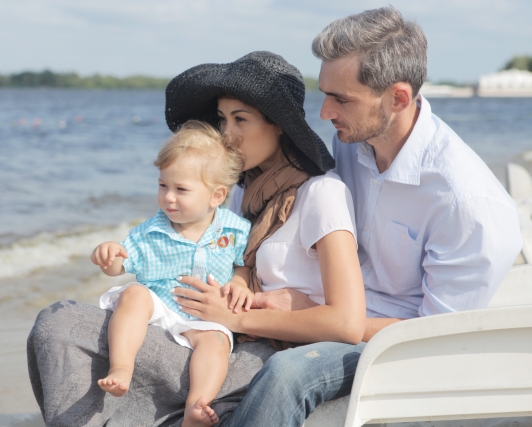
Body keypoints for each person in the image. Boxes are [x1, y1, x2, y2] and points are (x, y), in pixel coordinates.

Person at [170, 7, 523, 426]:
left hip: (393, 346)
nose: (324, 112)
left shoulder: (469, 204)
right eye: (325, 93)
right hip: (328, 315)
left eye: (341, 99)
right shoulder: (352, 143)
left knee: (286, 374)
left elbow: (435, 336)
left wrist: (310, 315)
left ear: (398, 98)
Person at [27, 50, 366, 427]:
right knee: (58, 325)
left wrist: (236, 318)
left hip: (254, 350)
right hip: (206, 328)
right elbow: (231, 260)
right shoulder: (240, 192)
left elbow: (346, 323)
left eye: (240, 119)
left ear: (280, 125)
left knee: (62, 327)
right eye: (222, 119)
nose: (226, 133)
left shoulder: (321, 193)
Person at [90, 120, 252, 427]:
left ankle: (197, 406)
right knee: (134, 293)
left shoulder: (234, 230)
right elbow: (119, 266)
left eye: (181, 189)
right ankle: (121, 367)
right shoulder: (151, 231)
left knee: (217, 341)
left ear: (216, 196)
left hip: (203, 317)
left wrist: (241, 282)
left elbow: (243, 263)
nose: (168, 197)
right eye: (163, 185)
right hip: (160, 306)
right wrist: (109, 255)